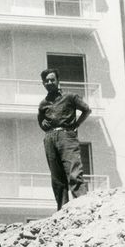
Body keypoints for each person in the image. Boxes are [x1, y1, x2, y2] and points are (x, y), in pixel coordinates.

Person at [37, 68, 91, 210]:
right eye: (46, 81)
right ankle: (62, 210)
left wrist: (77, 124)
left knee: (74, 171)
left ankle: (82, 205)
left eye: (52, 79)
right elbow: (41, 118)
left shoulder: (70, 97)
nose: (49, 82)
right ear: (43, 83)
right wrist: (42, 123)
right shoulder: (43, 103)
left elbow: (86, 109)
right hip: (50, 138)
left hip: (66, 135)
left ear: (58, 81)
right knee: (57, 178)